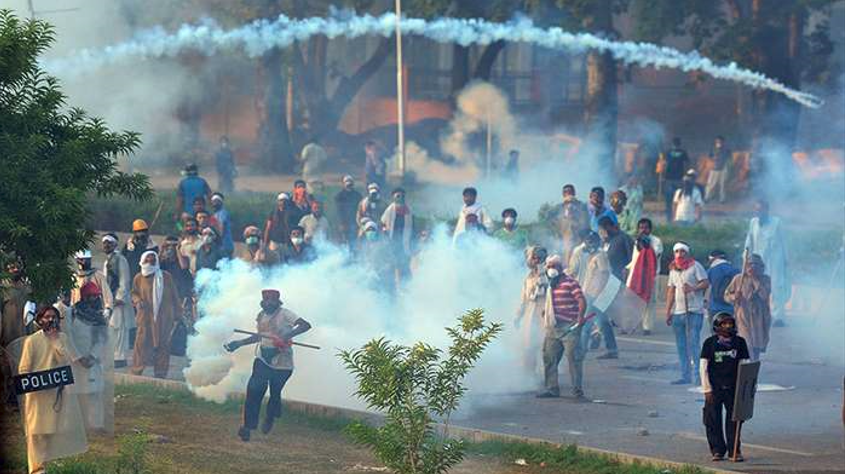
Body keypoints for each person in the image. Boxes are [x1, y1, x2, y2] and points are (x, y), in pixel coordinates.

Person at [223, 289, 312, 441]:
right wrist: (239, 343)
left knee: (275, 393)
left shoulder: (286, 314)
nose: (269, 303)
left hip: (282, 362)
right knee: (254, 390)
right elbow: (259, 336)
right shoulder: (261, 316)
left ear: (278, 302)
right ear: (262, 302)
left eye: (272, 300)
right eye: (266, 300)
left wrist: (286, 336)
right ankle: (247, 427)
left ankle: (270, 416)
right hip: (263, 358)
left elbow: (305, 325)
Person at [14, 305, 92, 474]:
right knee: (36, 433)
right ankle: (36, 470)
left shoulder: (63, 338)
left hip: (56, 395)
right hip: (37, 396)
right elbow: (24, 370)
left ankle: (42, 464)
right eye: (47, 317)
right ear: (40, 320)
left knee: (49, 431)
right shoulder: (32, 341)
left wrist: (56, 340)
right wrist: (33, 385)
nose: (51, 320)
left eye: (53, 316)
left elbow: (71, 359)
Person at [700, 312, 750, 462]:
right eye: (724, 324)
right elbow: (703, 367)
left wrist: (744, 389)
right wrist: (707, 389)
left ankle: (734, 450)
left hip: (733, 388)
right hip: (714, 389)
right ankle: (717, 450)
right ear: (717, 326)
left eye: (730, 323)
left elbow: (745, 365)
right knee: (712, 420)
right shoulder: (709, 343)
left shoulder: (740, 342)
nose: (728, 326)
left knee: (735, 420)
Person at [537, 255, 587, 399]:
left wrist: (580, 316)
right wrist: (546, 312)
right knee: (549, 357)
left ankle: (577, 390)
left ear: (561, 267)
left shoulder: (570, 282)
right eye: (549, 266)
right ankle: (552, 388)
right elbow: (549, 303)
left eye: (555, 266)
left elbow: (581, 300)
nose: (552, 269)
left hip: (570, 326)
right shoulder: (549, 284)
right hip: (553, 327)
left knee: (574, 358)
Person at [68, 281, 112, 431]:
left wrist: (93, 356)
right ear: (84, 297)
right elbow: (68, 336)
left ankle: (96, 425)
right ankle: (77, 425)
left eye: (97, 296)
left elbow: (102, 338)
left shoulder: (99, 316)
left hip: (92, 361)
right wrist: (77, 357)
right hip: (76, 360)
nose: (95, 299)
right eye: (91, 296)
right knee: (75, 393)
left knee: (95, 393)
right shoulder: (73, 313)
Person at [130, 251, 180, 378]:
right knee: (141, 344)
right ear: (142, 261)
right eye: (147, 260)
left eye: (152, 261)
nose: (150, 263)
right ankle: (137, 371)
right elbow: (134, 293)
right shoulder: (139, 278)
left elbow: (175, 296)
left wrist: (178, 315)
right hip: (145, 316)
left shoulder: (166, 276)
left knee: (163, 345)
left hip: (164, 318)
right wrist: (137, 301)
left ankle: (160, 374)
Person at [666, 242, 709, 385]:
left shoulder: (695, 266)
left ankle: (698, 376)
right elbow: (671, 291)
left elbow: (705, 282)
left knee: (694, 344)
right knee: (681, 346)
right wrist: (668, 311)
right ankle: (686, 376)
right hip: (678, 311)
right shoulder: (673, 270)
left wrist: (693, 288)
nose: (680, 254)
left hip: (694, 311)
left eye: (682, 251)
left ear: (687, 253)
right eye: (677, 251)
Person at [744, 199, 790, 326]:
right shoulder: (753, 222)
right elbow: (749, 240)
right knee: (758, 288)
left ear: (767, 210)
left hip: (775, 261)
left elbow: (784, 241)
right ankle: (760, 316)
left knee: (776, 287)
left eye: (761, 210)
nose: (758, 212)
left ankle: (778, 317)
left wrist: (787, 260)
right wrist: (746, 257)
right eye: (756, 210)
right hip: (758, 261)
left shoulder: (777, 222)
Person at [567, 232, 613, 359]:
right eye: (588, 241)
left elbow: (604, 275)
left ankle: (581, 352)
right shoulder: (590, 256)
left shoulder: (600, 256)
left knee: (586, 323)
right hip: (589, 293)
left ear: (597, 243)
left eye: (592, 241)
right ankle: (612, 349)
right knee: (603, 322)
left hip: (595, 294)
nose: (589, 244)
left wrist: (598, 294)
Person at [724, 254, 772, 361]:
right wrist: (734, 297)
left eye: (755, 265)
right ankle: (746, 370)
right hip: (743, 316)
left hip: (760, 318)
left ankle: (752, 372)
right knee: (747, 344)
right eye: (750, 264)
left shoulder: (765, 279)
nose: (752, 267)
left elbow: (764, 295)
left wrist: (754, 279)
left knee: (756, 348)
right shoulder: (738, 279)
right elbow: (726, 295)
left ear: (761, 266)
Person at [626, 219, 663, 335]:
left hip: (650, 276)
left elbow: (655, 254)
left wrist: (646, 245)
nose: (643, 230)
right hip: (636, 275)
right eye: (641, 227)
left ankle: (647, 327)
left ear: (650, 229)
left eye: (646, 227)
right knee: (632, 299)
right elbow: (635, 259)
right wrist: (627, 268)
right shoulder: (637, 241)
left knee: (649, 302)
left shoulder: (656, 241)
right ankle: (631, 324)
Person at [101, 234, 134, 367]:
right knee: (111, 328)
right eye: (104, 243)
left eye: (109, 243)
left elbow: (124, 280)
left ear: (115, 244)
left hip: (119, 301)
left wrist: (119, 298)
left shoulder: (121, 259)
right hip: (109, 299)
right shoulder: (107, 261)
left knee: (120, 328)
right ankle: (113, 356)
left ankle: (120, 358)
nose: (106, 245)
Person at [515, 246, 548, 373]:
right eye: (532, 258)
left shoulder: (549, 274)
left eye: (536, 258)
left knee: (545, 347)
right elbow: (524, 300)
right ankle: (529, 375)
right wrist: (518, 316)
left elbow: (546, 287)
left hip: (545, 315)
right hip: (531, 316)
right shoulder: (528, 278)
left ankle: (547, 375)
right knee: (529, 346)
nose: (534, 261)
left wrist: (541, 270)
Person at [381, 188, 413, 286]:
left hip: (404, 242)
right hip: (392, 241)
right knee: (392, 264)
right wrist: (385, 232)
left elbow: (412, 227)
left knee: (404, 264)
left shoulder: (408, 210)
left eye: (402, 196)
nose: (400, 198)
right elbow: (383, 222)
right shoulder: (390, 209)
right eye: (397, 196)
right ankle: (392, 285)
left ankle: (406, 285)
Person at [553, 184, 590, 263]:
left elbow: (586, 223)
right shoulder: (559, 207)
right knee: (566, 262)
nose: (569, 194)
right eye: (566, 192)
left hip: (579, 239)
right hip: (565, 240)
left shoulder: (581, 206)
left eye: (571, 192)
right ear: (563, 194)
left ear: (574, 193)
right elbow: (555, 224)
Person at [706, 250, 741, 326]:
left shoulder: (711, 270)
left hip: (714, 307)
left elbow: (707, 287)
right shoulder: (736, 270)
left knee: (716, 331)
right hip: (732, 307)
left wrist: (706, 303)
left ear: (713, 258)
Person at [662, 137, 690, 222]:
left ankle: (670, 218)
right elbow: (686, 165)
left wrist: (663, 175)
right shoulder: (683, 152)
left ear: (673, 144)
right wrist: (686, 175)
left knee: (670, 200)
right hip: (678, 179)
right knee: (677, 199)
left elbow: (664, 165)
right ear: (679, 144)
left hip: (671, 179)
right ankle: (674, 218)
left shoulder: (668, 152)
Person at [334, 175, 363, 248]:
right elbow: (339, 211)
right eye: (347, 184)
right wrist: (341, 223)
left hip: (355, 221)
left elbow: (360, 209)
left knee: (354, 240)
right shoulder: (339, 196)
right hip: (344, 222)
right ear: (343, 184)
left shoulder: (358, 196)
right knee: (344, 241)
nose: (349, 186)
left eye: (350, 184)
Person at [706, 136, 731, 203]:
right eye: (717, 141)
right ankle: (707, 197)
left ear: (723, 142)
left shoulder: (727, 150)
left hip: (723, 169)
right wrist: (713, 160)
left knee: (723, 185)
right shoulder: (712, 149)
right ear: (715, 142)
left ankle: (722, 199)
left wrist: (727, 168)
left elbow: (729, 159)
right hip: (714, 169)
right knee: (711, 184)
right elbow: (709, 157)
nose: (719, 143)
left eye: (720, 141)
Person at [210, 193, 234, 258]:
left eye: (216, 201)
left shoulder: (222, 213)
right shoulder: (215, 214)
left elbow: (221, 230)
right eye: (213, 201)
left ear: (221, 202)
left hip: (224, 246)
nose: (214, 203)